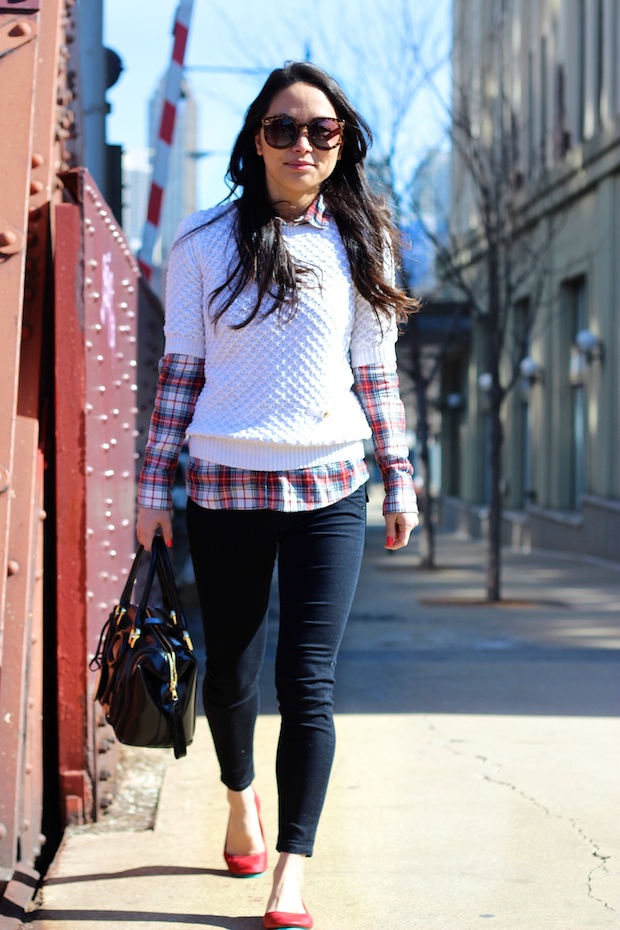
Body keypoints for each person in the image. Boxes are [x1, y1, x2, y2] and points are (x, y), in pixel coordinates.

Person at [136, 61, 419, 930]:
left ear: (342, 145)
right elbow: (179, 374)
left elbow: (376, 373)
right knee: (231, 674)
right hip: (222, 488)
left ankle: (289, 873)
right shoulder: (202, 240)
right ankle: (238, 795)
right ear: (255, 138)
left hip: (332, 488)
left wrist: (399, 476)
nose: (303, 143)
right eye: (284, 128)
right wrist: (154, 488)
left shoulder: (361, 240)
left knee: (311, 684)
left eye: (321, 130)